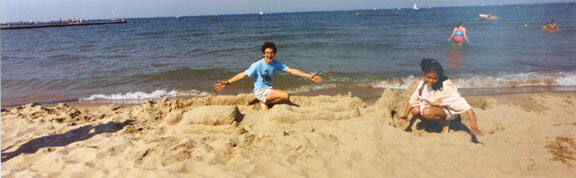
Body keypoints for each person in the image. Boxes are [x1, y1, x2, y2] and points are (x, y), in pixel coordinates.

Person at [214, 42, 323, 111]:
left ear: (274, 53)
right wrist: (227, 82)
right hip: (260, 91)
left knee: (286, 100)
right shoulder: (257, 65)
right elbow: (243, 74)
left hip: (269, 89)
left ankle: (264, 102)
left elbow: (291, 70)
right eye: (267, 52)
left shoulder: (276, 63)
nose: (269, 55)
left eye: (271, 53)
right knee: (286, 96)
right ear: (263, 53)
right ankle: (263, 101)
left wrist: (309, 76)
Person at [400, 58, 483, 135]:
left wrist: (474, 126)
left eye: (434, 78)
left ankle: (445, 124)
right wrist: (405, 115)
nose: (431, 80)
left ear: (439, 77)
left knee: (426, 112)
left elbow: (467, 108)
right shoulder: (422, 84)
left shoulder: (446, 88)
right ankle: (426, 122)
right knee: (415, 110)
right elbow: (412, 101)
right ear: (424, 75)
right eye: (428, 77)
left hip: (447, 112)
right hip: (431, 107)